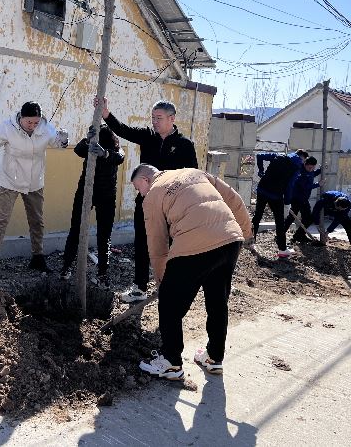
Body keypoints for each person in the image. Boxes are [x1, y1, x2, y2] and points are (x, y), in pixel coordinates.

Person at [130, 164, 252, 380]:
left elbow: (157, 244)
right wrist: (245, 233)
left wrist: (161, 281)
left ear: (146, 180)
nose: (140, 194)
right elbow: (234, 199)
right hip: (230, 239)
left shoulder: (152, 195)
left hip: (195, 243)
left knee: (169, 304)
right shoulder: (194, 172)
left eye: (138, 188)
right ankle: (214, 358)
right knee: (217, 301)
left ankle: (170, 362)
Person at [95, 96, 198, 303]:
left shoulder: (184, 145)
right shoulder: (147, 136)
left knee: (171, 246)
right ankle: (139, 288)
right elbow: (123, 130)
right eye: (153, 117)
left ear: (172, 118)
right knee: (142, 243)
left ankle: (171, 287)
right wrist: (106, 114)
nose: (154, 122)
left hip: (171, 206)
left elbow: (192, 176)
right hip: (145, 202)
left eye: (159, 118)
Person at [0, 101, 68, 281]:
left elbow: (58, 143)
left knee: (37, 221)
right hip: (9, 181)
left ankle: (38, 258)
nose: (33, 126)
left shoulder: (45, 128)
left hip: (34, 182)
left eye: (36, 122)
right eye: (29, 122)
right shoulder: (7, 127)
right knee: (1, 222)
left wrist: (64, 138)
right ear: (21, 117)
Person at [60, 124, 125, 286]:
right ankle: (66, 267)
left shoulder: (115, 149)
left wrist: (105, 153)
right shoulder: (90, 146)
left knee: (104, 235)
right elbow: (78, 150)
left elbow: (119, 157)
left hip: (106, 196)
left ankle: (102, 273)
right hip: (85, 192)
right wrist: (87, 140)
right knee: (75, 230)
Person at [252, 149, 308, 257]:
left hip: (262, 189)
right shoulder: (296, 168)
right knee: (280, 221)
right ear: (302, 158)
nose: (303, 162)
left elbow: (259, 156)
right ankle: (282, 249)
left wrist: (261, 170)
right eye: (303, 160)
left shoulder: (278, 155)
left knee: (257, 216)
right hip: (276, 196)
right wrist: (287, 203)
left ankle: (251, 242)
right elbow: (290, 186)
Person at [283, 156, 321, 243]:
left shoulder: (310, 171)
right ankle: (284, 234)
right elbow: (304, 186)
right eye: (309, 167)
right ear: (305, 164)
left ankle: (299, 235)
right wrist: (318, 184)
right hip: (297, 198)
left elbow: (313, 174)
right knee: (297, 218)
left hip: (303, 199)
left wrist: (320, 170)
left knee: (305, 218)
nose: (311, 169)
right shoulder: (300, 172)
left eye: (313, 168)